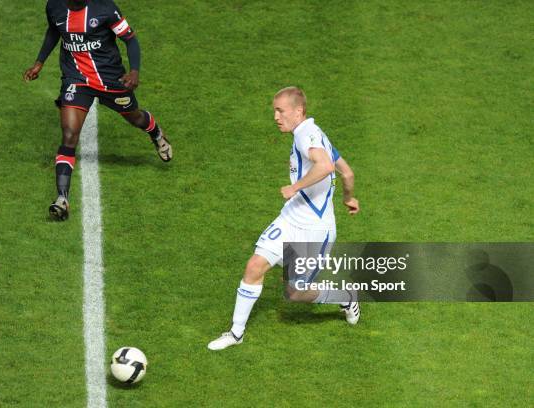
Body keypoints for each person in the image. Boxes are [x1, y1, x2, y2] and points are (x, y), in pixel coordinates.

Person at [208, 87, 360, 351]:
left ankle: (344, 296)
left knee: (296, 292)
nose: (276, 117)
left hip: (315, 228)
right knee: (254, 266)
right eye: (274, 111)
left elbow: (325, 167)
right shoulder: (315, 133)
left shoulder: (305, 135)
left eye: (281, 111)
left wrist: (295, 187)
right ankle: (236, 333)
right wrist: (348, 198)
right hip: (290, 218)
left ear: (298, 111)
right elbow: (346, 173)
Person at [23, 0, 172, 221]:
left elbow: (130, 40)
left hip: (110, 78)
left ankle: (155, 132)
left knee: (135, 117)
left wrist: (134, 72)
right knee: (69, 134)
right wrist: (39, 62)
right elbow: (54, 30)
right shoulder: (54, 6)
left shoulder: (105, 8)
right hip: (76, 79)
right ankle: (62, 199)